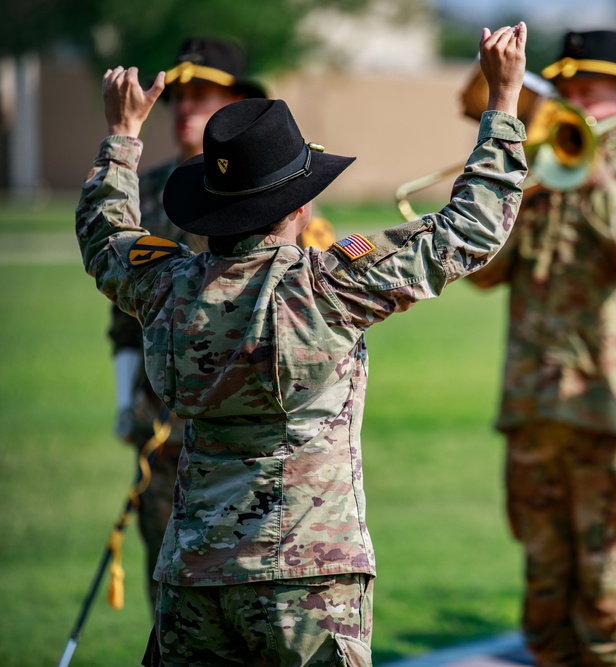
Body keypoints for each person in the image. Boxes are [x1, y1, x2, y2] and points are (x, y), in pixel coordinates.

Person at [77, 22, 528, 665]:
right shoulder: (328, 285)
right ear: (295, 209)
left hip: (194, 577)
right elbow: (471, 228)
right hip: (308, 578)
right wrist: (503, 102)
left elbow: (104, 235)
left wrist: (122, 137)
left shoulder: (166, 285)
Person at [467, 29, 616, 667]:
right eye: (565, 94)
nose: (572, 106)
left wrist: (591, 176)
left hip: (609, 415)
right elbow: (480, 272)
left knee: (608, 598)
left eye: (588, 94)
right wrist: (509, 181)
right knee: (543, 595)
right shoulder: (532, 175)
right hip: (533, 410)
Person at [106, 37, 267, 609]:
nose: (185, 109)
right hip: (163, 435)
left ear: (235, 103)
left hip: (246, 440)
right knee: (169, 599)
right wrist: (126, 400)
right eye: (180, 97)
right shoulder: (145, 191)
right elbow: (123, 317)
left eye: (203, 95)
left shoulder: (280, 194)